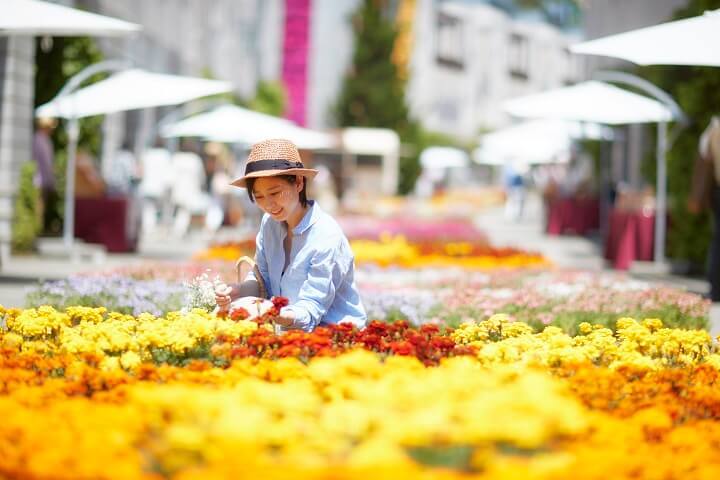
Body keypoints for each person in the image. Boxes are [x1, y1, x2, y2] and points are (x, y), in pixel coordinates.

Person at [215, 138, 367, 332]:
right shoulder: (270, 224)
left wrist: (273, 313)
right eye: (259, 197)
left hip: (336, 338)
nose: (268, 205)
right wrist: (238, 291)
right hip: (288, 334)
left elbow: (312, 309)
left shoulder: (326, 236)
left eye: (275, 193)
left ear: (298, 183)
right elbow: (261, 278)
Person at [689, 116, 720, 300]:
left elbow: (703, 157)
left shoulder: (711, 131)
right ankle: (716, 288)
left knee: (717, 240)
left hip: (716, 192)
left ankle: (715, 288)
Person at [32, 117, 59, 233]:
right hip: (40, 180)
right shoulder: (42, 140)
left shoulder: (37, 139)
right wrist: (52, 181)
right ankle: (36, 231)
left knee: (38, 207)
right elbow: (47, 163)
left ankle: (36, 231)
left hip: (38, 179)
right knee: (39, 208)